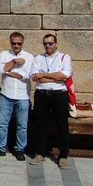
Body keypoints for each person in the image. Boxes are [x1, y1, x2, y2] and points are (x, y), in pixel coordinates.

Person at [29, 34, 72, 169]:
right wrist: (55, 77)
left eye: (50, 43)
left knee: (62, 126)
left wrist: (44, 74)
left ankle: (63, 156)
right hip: (42, 95)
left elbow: (65, 75)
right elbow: (35, 77)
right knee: (41, 125)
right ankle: (41, 153)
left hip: (59, 95)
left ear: (56, 44)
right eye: (45, 44)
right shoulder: (38, 58)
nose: (48, 46)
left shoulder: (65, 57)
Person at [0, 32, 34, 161]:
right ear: (10, 42)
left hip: (22, 95)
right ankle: (0, 147)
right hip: (6, 93)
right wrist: (14, 61)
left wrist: (8, 71)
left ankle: (20, 149)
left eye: (19, 43)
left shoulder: (29, 56)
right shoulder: (4, 54)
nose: (16, 45)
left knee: (22, 125)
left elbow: (26, 74)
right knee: (2, 124)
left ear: (22, 43)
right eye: (14, 43)